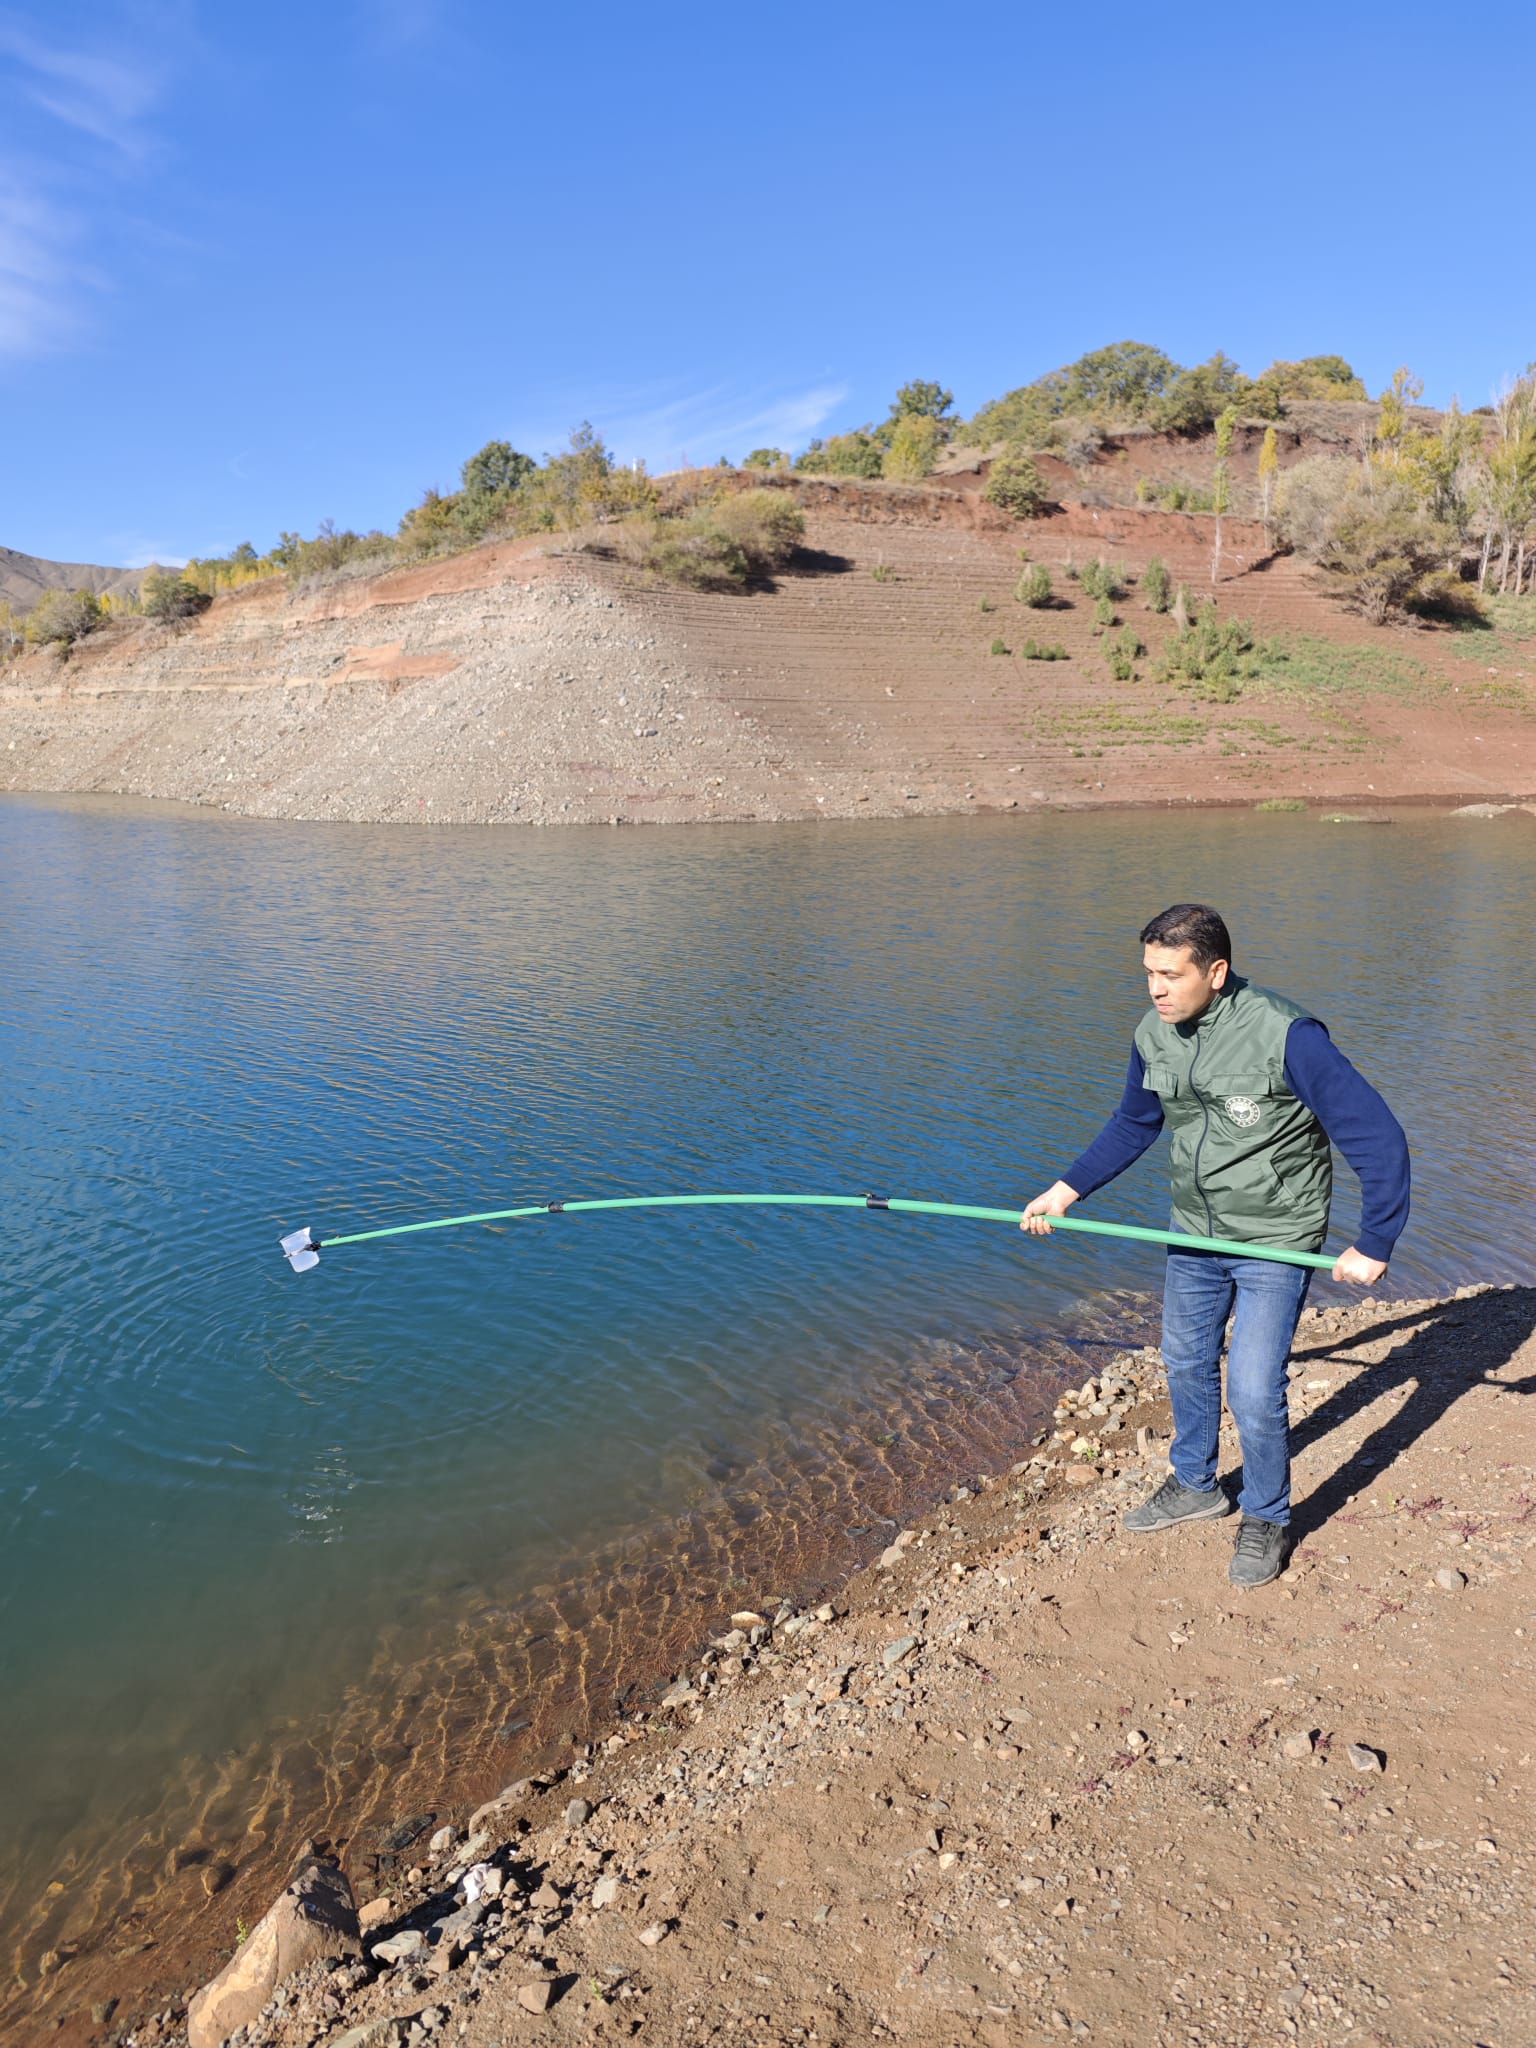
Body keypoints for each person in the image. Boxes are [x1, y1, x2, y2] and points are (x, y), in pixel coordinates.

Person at [1022, 903, 1410, 1588]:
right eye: (1148, 973)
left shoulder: (1289, 1036)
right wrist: (1065, 1191)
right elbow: (1133, 1122)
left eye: (1171, 975)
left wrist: (1375, 1238)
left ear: (1217, 971)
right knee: (1185, 1359)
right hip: (1193, 1232)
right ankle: (1196, 1484)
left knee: (1255, 1388)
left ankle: (1266, 1517)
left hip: (1276, 1240)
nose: (1156, 989)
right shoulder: (1153, 1033)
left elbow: (1375, 1135)